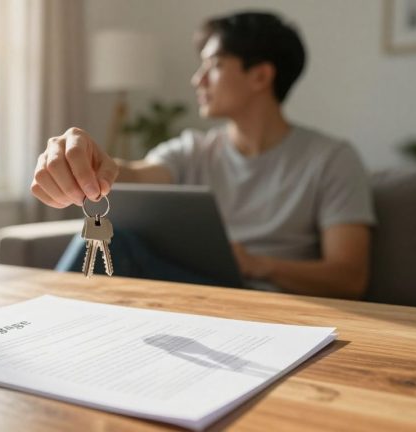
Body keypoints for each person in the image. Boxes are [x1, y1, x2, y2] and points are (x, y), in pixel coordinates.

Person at [30, 11, 375, 299]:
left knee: (121, 246)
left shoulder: (332, 159)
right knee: (120, 239)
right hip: (191, 291)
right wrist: (93, 161)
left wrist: (254, 263)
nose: (198, 79)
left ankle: (39, 334)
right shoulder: (193, 150)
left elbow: (349, 278)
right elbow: (135, 173)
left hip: (269, 303)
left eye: (214, 65)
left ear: (261, 75)